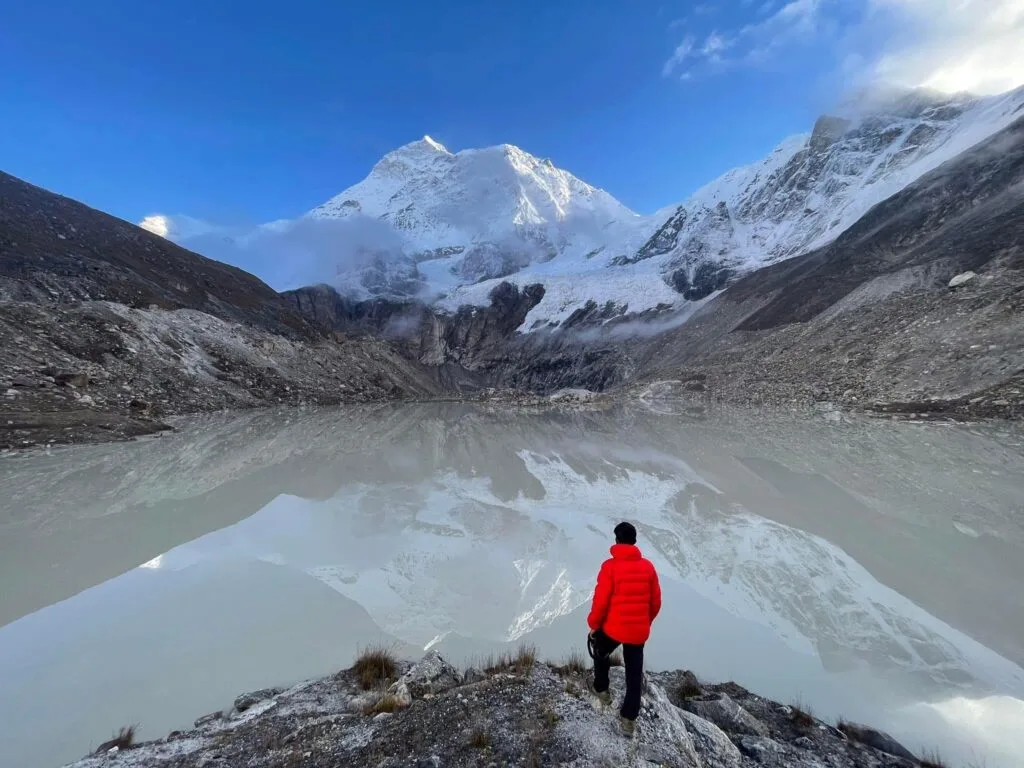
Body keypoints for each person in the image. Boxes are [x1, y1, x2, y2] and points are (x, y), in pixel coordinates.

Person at [587, 521, 662, 737]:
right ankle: (628, 720)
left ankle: (602, 690)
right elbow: (656, 603)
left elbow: (601, 602)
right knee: (634, 674)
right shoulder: (648, 567)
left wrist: (594, 625)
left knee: (600, 650)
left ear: (617, 540)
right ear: (634, 541)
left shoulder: (610, 567)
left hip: (614, 628)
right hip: (638, 632)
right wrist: (645, 622)